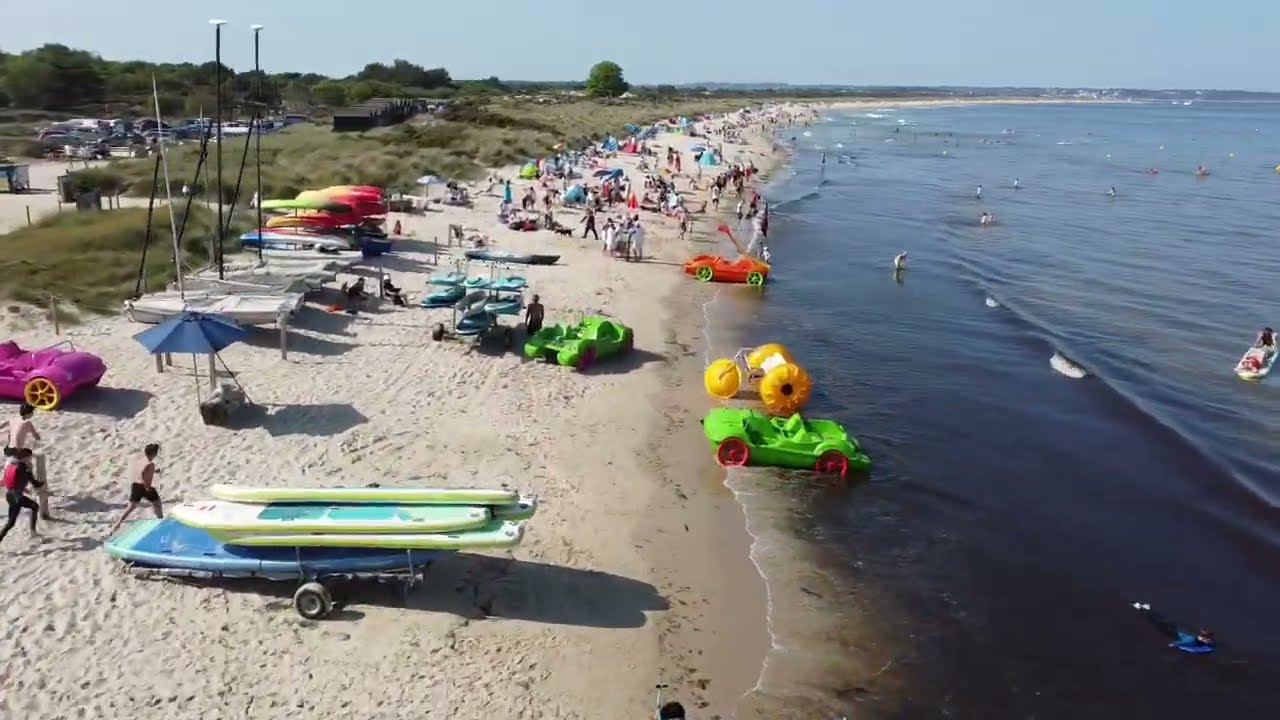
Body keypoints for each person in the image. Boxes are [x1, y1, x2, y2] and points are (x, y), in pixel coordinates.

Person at [109, 443, 164, 536]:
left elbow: (141, 471)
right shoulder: (150, 465)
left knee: (130, 507)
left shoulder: (142, 460)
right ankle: (161, 522)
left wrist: (154, 471)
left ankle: (117, 524)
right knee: (157, 503)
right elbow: (145, 475)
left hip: (135, 486)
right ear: (154, 454)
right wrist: (148, 487)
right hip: (144, 487)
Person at [7, 402, 48, 519]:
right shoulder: (27, 423)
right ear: (28, 413)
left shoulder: (12, 419)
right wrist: (37, 436)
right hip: (18, 451)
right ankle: (32, 485)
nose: (33, 414)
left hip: (9, 450)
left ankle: (25, 485)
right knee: (28, 466)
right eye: (32, 412)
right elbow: (37, 437)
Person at [1133, 603, 1215, 654]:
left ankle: (1146, 608)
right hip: (1171, 631)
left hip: (1176, 628)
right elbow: (1173, 644)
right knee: (1155, 621)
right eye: (1208, 639)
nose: (1209, 640)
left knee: (1160, 619)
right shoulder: (1191, 640)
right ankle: (1142, 609)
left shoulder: (1196, 638)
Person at [0, 447, 40, 545]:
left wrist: (23, 488)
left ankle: (33, 531)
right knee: (11, 523)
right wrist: (40, 484)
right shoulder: (23, 467)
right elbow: (35, 483)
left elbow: (8, 480)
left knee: (34, 506)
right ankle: (33, 531)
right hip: (17, 497)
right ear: (25, 457)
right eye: (29, 457)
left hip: (10, 495)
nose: (29, 459)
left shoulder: (12, 464)